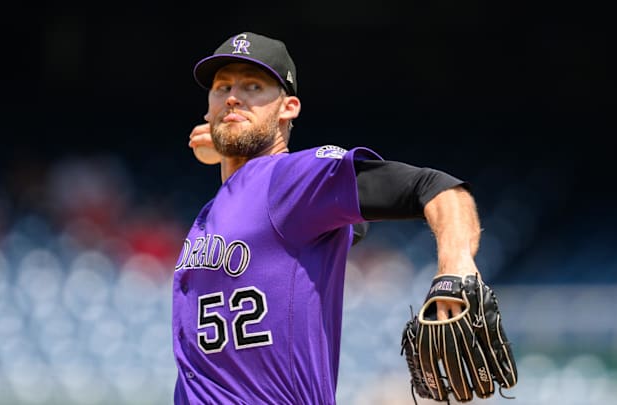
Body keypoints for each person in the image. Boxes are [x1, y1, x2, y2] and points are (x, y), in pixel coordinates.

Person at [173, 32, 483, 405]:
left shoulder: (291, 179)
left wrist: (456, 265)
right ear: (207, 109)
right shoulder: (226, 207)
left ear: (289, 107)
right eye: (222, 88)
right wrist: (226, 144)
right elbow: (344, 226)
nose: (233, 96)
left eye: (253, 86)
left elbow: (435, 186)